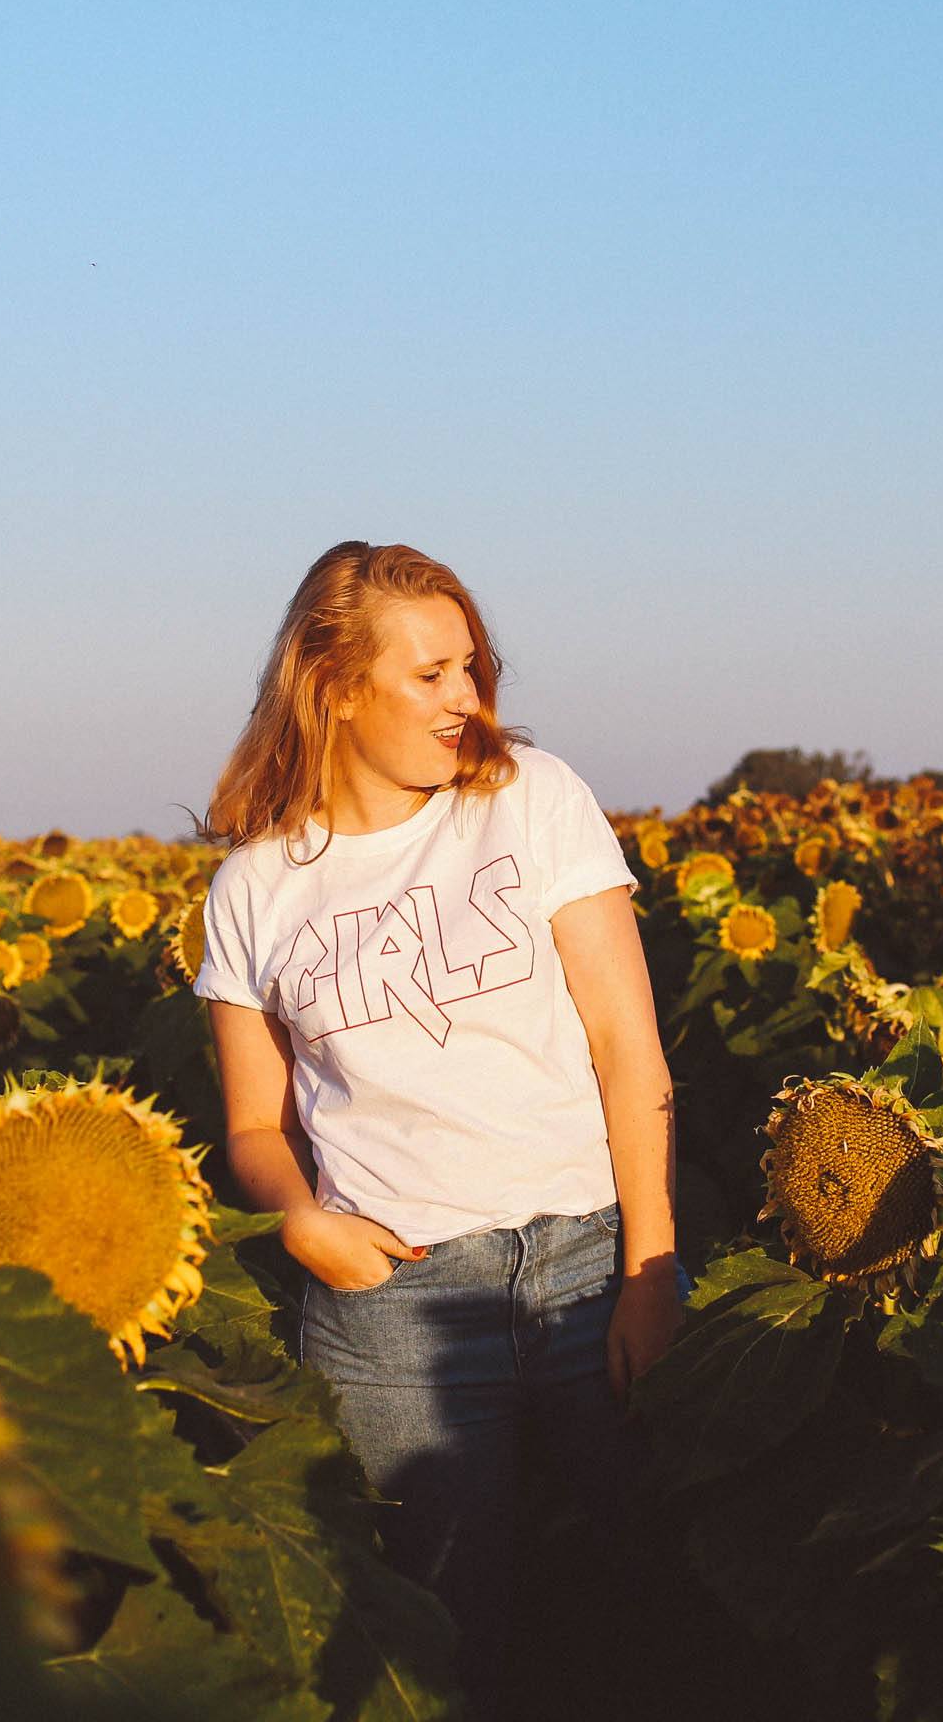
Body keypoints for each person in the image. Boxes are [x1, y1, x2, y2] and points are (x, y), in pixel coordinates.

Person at [192, 539, 690, 1718]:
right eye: (431, 674)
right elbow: (254, 1127)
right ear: (334, 684)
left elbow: (632, 1049)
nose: (467, 696)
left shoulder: (532, 799)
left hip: (583, 1265)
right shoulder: (256, 886)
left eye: (471, 666)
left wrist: (652, 1265)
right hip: (394, 1304)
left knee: (658, 1590)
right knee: (444, 1636)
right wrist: (302, 1220)